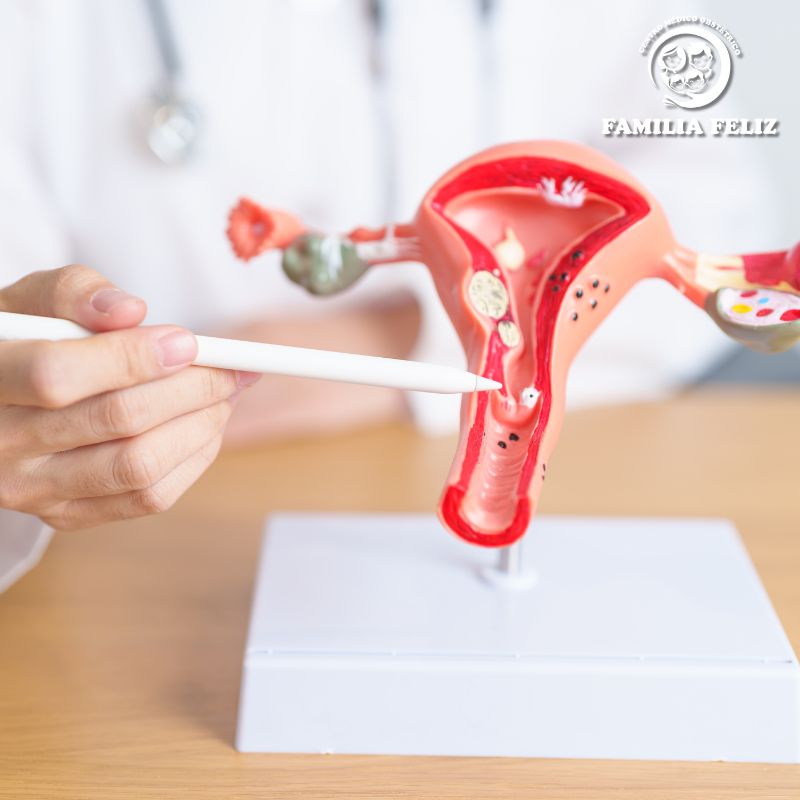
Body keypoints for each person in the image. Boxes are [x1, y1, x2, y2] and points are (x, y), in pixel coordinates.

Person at [0, 0, 780, 590]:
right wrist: (30, 419)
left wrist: (392, 338)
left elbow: (711, 209)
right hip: (139, 555)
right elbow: (22, 342)